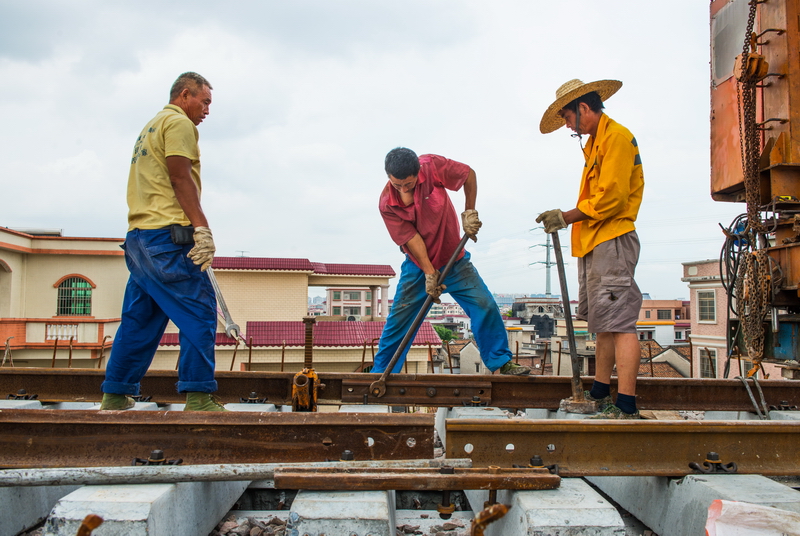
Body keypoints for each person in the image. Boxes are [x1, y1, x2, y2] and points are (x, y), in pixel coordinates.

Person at [100, 72, 227, 411]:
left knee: (141, 318)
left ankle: (115, 394)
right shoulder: (180, 124)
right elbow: (178, 175)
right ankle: (199, 396)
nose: (207, 110)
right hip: (167, 239)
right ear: (185, 95)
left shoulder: (150, 126)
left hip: (139, 240)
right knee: (199, 312)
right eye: (205, 101)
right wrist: (201, 227)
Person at [536, 79, 645, 418]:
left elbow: (610, 199)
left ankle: (626, 404)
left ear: (583, 108)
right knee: (604, 320)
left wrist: (565, 216)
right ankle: (600, 391)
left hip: (612, 238)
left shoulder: (616, 138)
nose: (569, 126)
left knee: (621, 322)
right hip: (597, 241)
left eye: (568, 118)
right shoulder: (597, 142)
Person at [373, 147, 530, 376]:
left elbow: (468, 175)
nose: (404, 189)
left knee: (484, 306)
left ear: (418, 170)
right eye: (398, 185)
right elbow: (412, 239)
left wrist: (469, 212)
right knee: (399, 322)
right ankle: (382, 374)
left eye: (409, 183)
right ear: (389, 177)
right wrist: (429, 273)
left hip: (455, 261)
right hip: (417, 267)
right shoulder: (387, 204)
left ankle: (501, 362)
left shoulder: (431, 166)